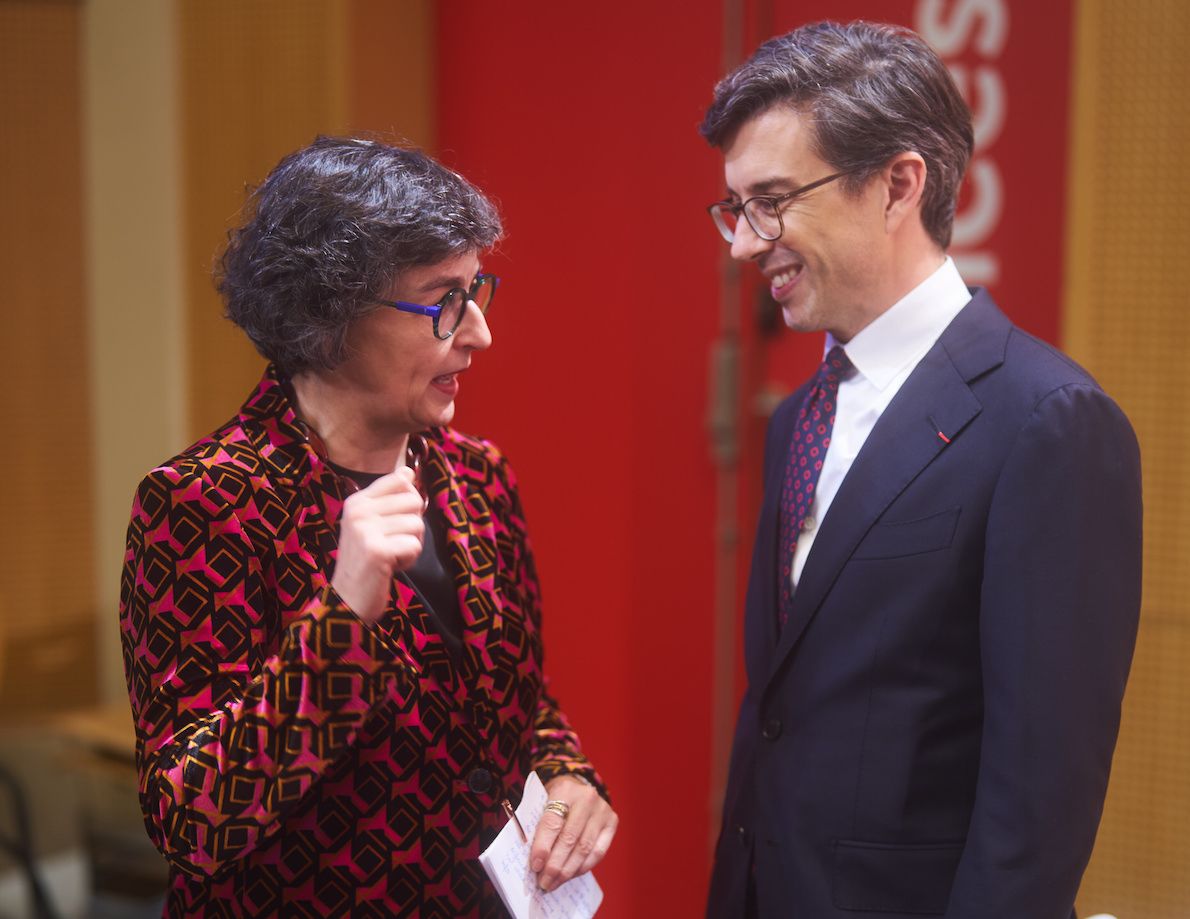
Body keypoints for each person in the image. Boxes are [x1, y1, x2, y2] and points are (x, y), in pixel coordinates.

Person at [700, 21, 1141, 919]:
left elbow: (1039, 803)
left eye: (772, 201)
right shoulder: (796, 418)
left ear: (899, 185)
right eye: (735, 208)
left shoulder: (1047, 422)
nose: (743, 243)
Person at [119, 136, 617, 918]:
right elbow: (191, 822)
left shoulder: (479, 476)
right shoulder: (204, 502)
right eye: (443, 300)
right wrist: (343, 615)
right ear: (331, 314)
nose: (478, 332)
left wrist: (567, 776)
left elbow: (515, 701)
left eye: (476, 291)